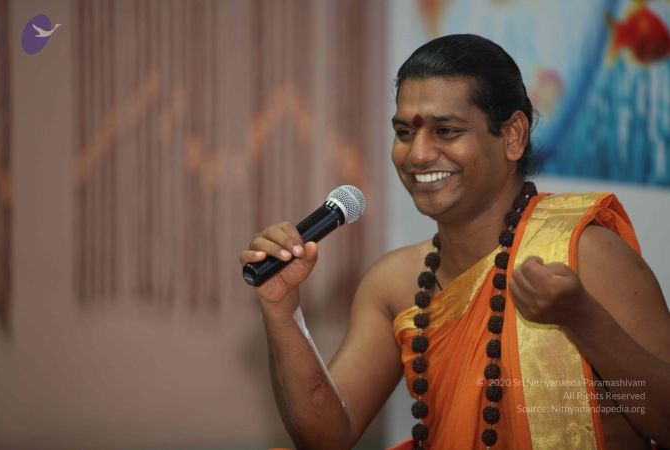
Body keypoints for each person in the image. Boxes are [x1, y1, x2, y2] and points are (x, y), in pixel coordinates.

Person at [239, 34, 670, 450]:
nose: (418, 154)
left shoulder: (585, 254)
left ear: (513, 136)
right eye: (404, 132)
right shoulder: (393, 283)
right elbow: (326, 437)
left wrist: (583, 319)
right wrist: (282, 310)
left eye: (445, 131)